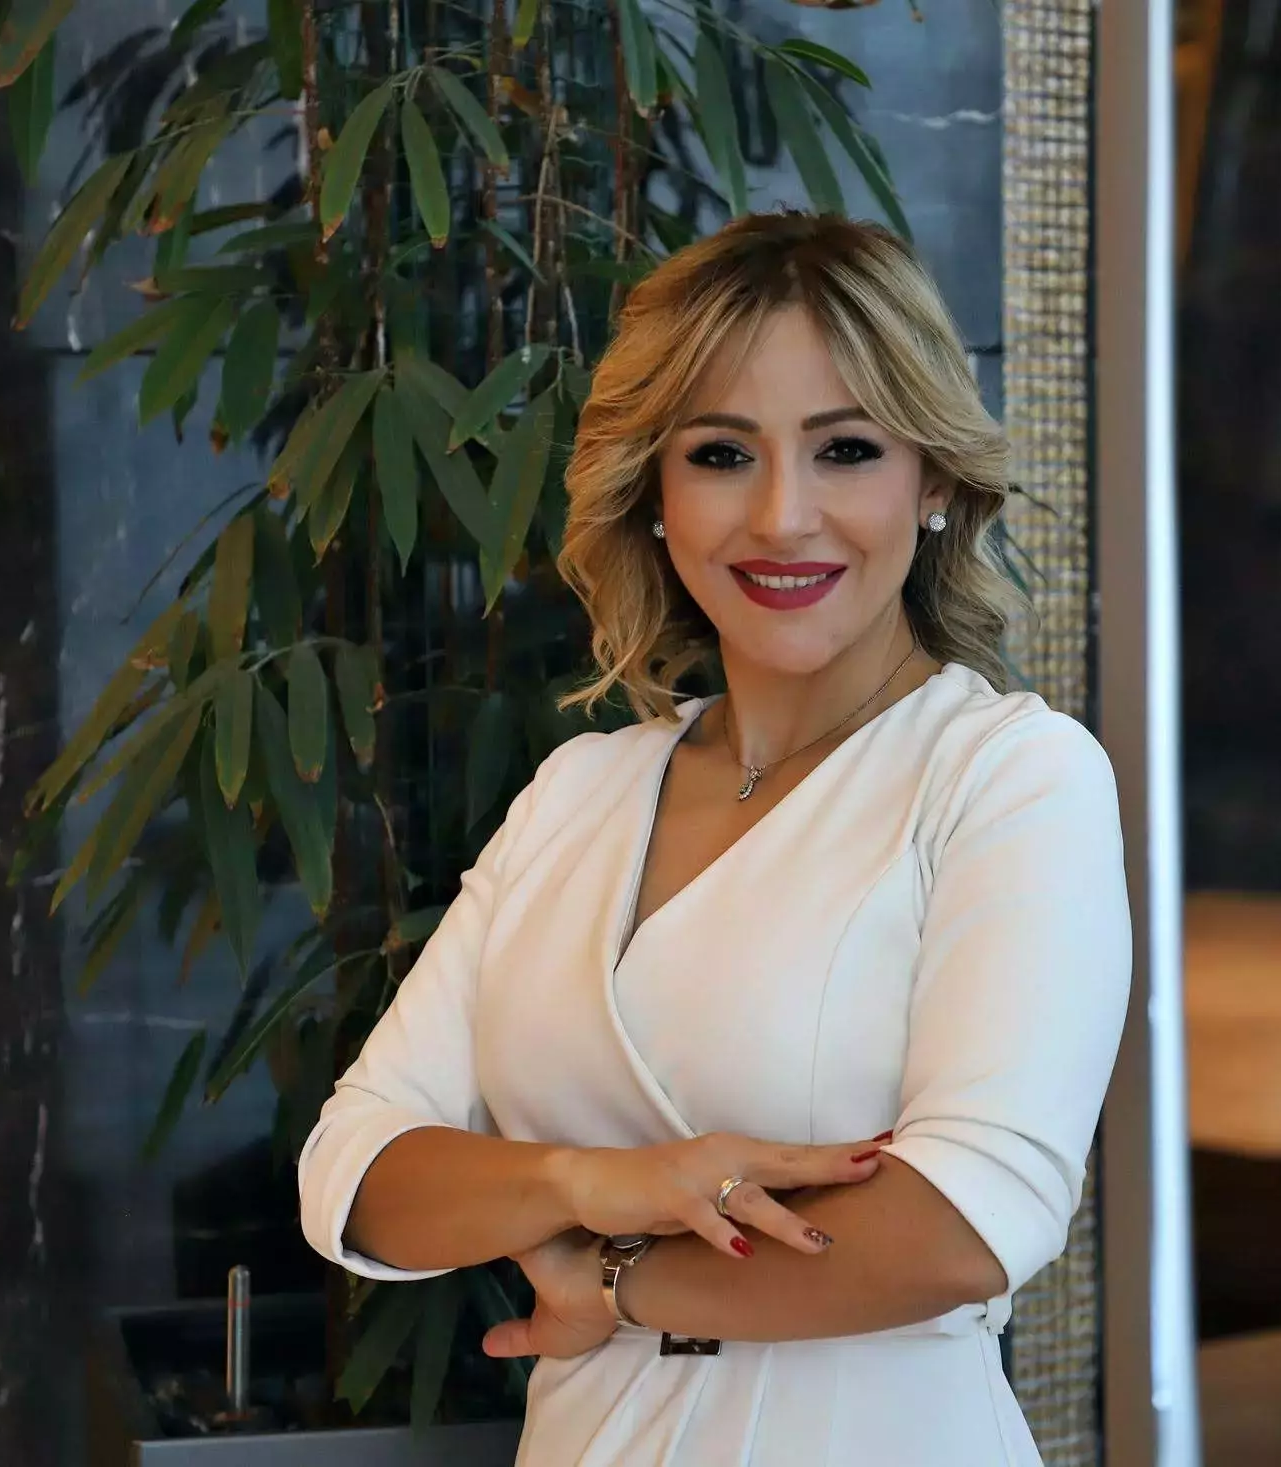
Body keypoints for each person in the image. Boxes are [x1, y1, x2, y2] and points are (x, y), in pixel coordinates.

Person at [297, 213, 1132, 1466]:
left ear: (935, 484)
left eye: (846, 449)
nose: (784, 517)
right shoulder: (578, 793)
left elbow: (962, 1227)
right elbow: (357, 1176)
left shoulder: (1008, 777)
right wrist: (590, 1184)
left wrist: (610, 1280)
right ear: (655, 493)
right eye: (723, 454)